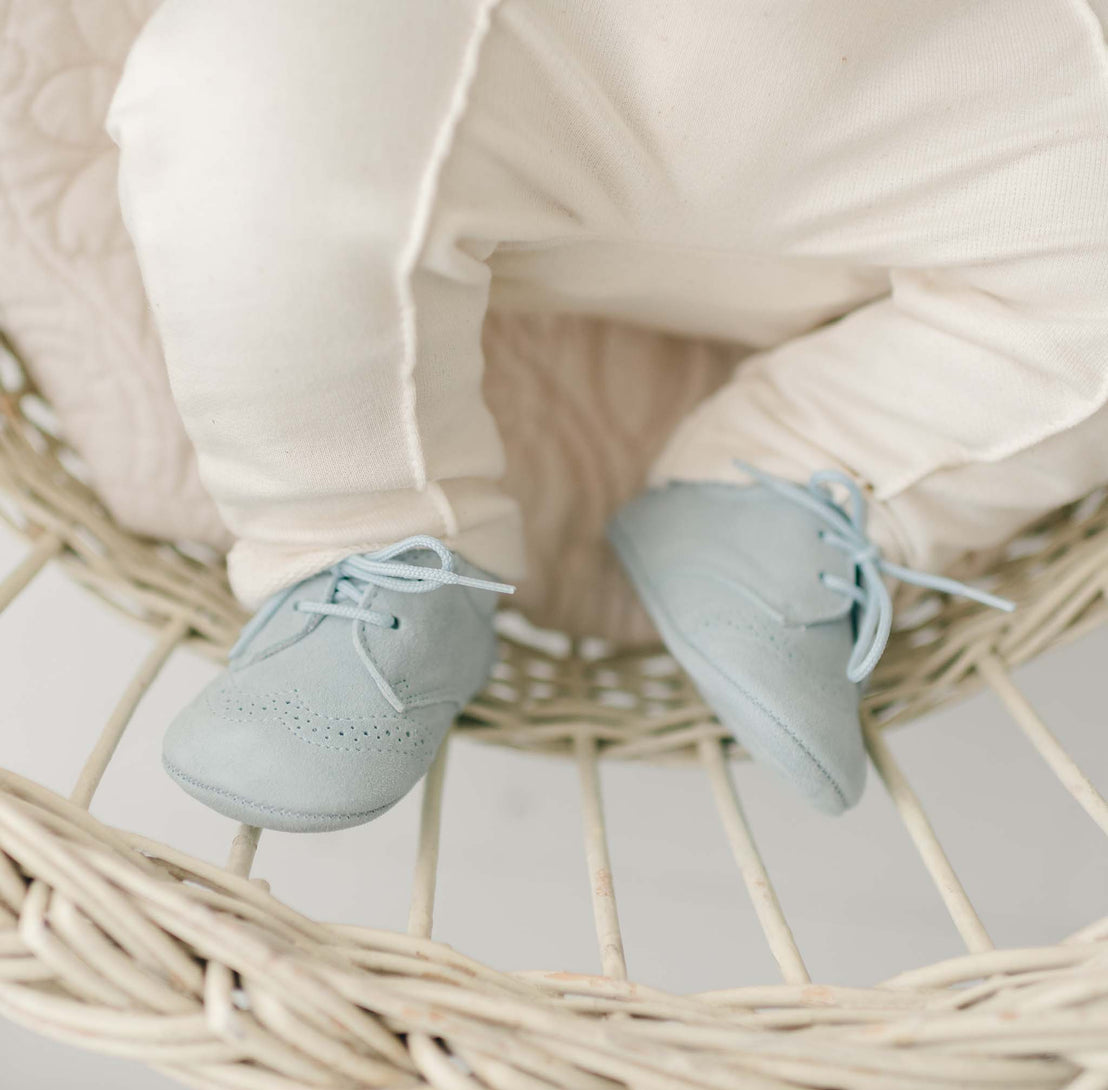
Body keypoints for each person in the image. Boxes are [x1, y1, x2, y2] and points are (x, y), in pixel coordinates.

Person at [107, 0, 1108, 829]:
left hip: (932, 92)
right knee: (253, 82)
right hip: (501, 66)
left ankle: (794, 480)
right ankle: (373, 543)